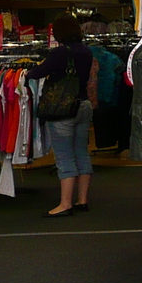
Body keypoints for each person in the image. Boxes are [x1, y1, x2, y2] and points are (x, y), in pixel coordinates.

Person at [29, 13, 95, 218]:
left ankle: (65, 204)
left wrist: (27, 71)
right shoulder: (86, 51)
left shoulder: (60, 53)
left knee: (65, 156)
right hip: (83, 105)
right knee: (81, 152)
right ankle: (82, 200)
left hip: (63, 109)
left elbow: (37, 73)